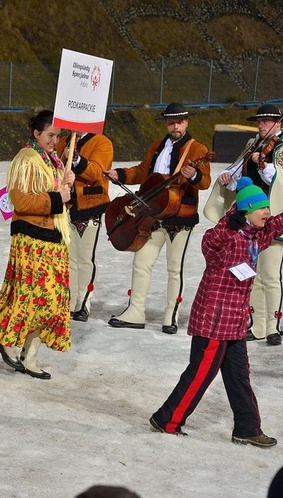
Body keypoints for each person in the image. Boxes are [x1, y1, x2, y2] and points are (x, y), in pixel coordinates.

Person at [150, 177, 283, 447]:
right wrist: (231, 222)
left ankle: (247, 429)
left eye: (266, 208)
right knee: (200, 374)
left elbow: (279, 222)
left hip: (234, 321)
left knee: (239, 377)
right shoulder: (228, 233)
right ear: (245, 212)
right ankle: (167, 419)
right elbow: (210, 244)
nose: (266, 212)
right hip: (214, 317)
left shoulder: (258, 233)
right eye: (260, 209)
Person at [0, 110, 74, 378]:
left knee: (52, 302)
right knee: (31, 299)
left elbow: (61, 201)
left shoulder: (54, 161)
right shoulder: (26, 159)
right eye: (50, 135)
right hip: (31, 237)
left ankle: (27, 354)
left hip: (54, 237)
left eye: (58, 135)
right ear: (37, 134)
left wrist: (68, 189)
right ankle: (14, 347)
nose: (55, 140)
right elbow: (21, 201)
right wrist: (57, 197)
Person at [106, 102, 211, 334]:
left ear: (186, 122)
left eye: (180, 122)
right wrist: (120, 174)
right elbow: (143, 172)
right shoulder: (156, 146)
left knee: (175, 268)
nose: (175, 126)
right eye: (171, 122)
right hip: (153, 215)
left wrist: (194, 175)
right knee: (141, 262)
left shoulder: (197, 149)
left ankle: (170, 315)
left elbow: (205, 182)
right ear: (166, 123)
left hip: (180, 216)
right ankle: (135, 311)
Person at [210, 104, 283, 346]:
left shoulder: (282, 147)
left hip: (271, 215)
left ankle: (274, 326)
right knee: (251, 274)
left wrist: (263, 165)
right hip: (248, 220)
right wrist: (228, 179)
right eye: (260, 121)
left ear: (278, 123)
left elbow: (279, 180)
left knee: (271, 274)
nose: (262, 125)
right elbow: (238, 175)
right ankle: (259, 325)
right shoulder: (253, 144)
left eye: (266, 121)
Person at [56, 130, 114, 322]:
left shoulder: (102, 142)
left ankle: (84, 301)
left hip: (89, 205)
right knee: (69, 258)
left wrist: (76, 160)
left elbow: (96, 172)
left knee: (85, 257)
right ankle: (70, 300)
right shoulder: (64, 141)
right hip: (65, 206)